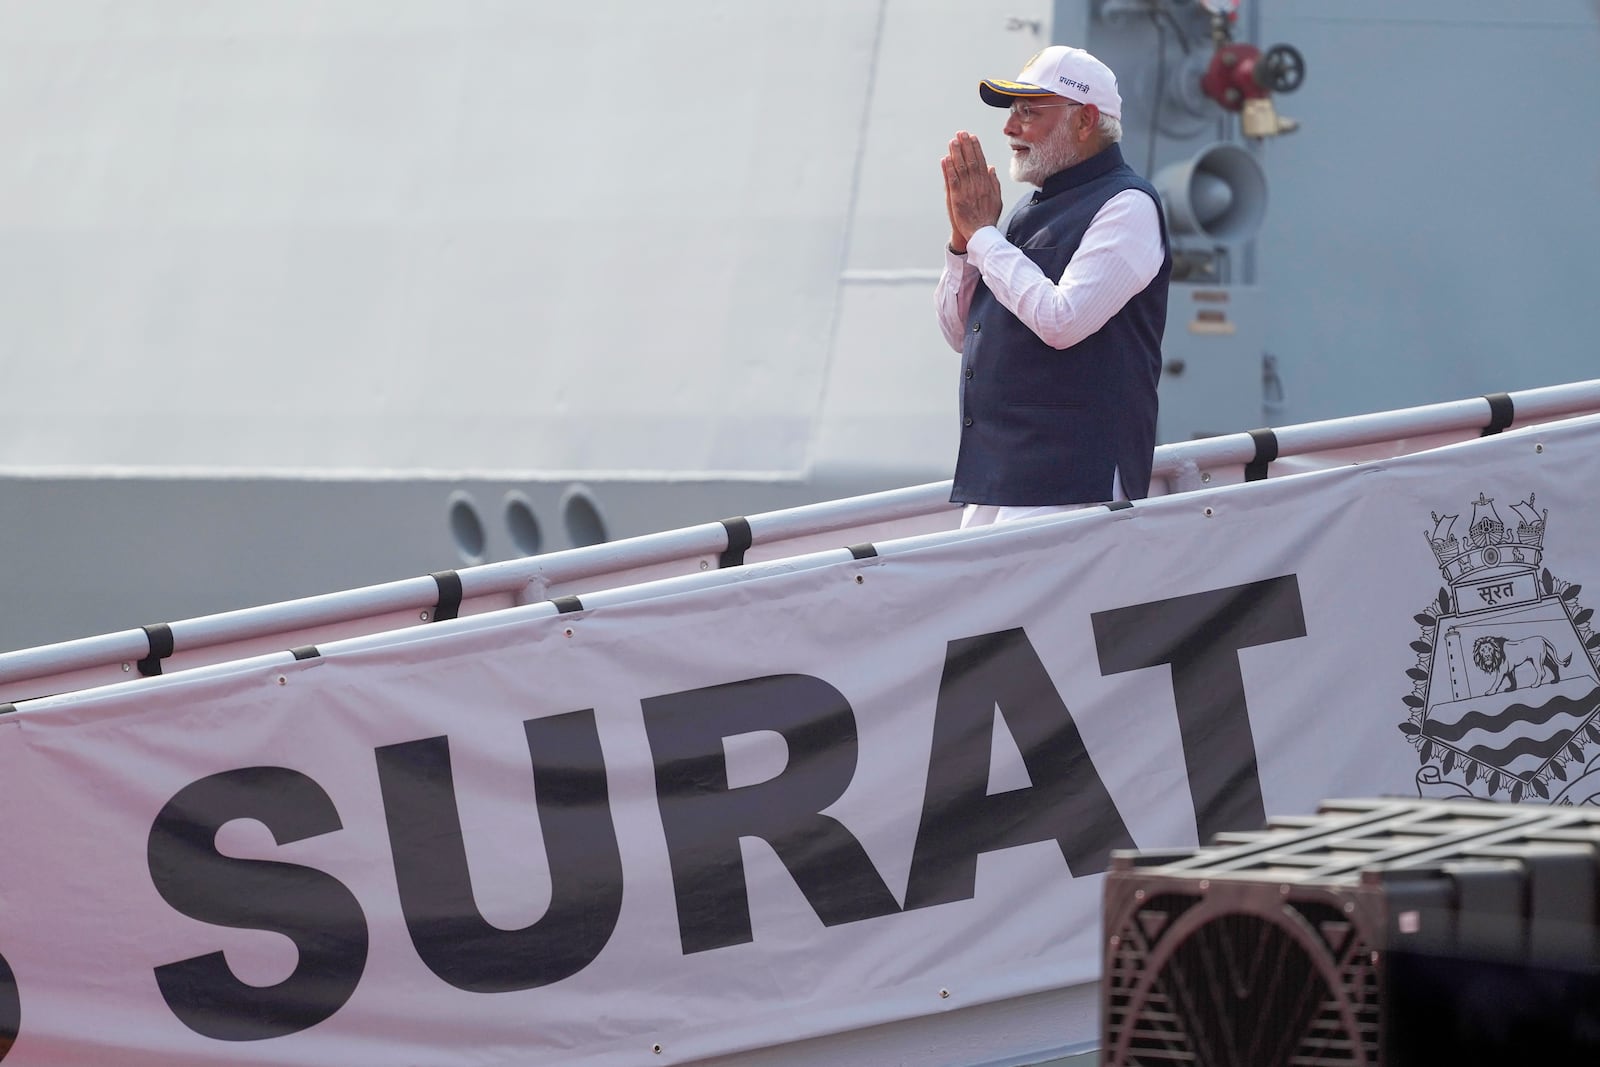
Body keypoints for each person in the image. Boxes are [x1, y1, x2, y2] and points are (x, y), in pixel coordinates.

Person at [935, 45, 1171, 528]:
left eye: (1029, 112)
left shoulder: (1128, 207)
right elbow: (962, 335)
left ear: (1084, 121)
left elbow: (1063, 321)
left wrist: (983, 236)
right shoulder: (1028, 212)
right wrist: (963, 244)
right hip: (1002, 476)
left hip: (1072, 483)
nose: (1009, 128)